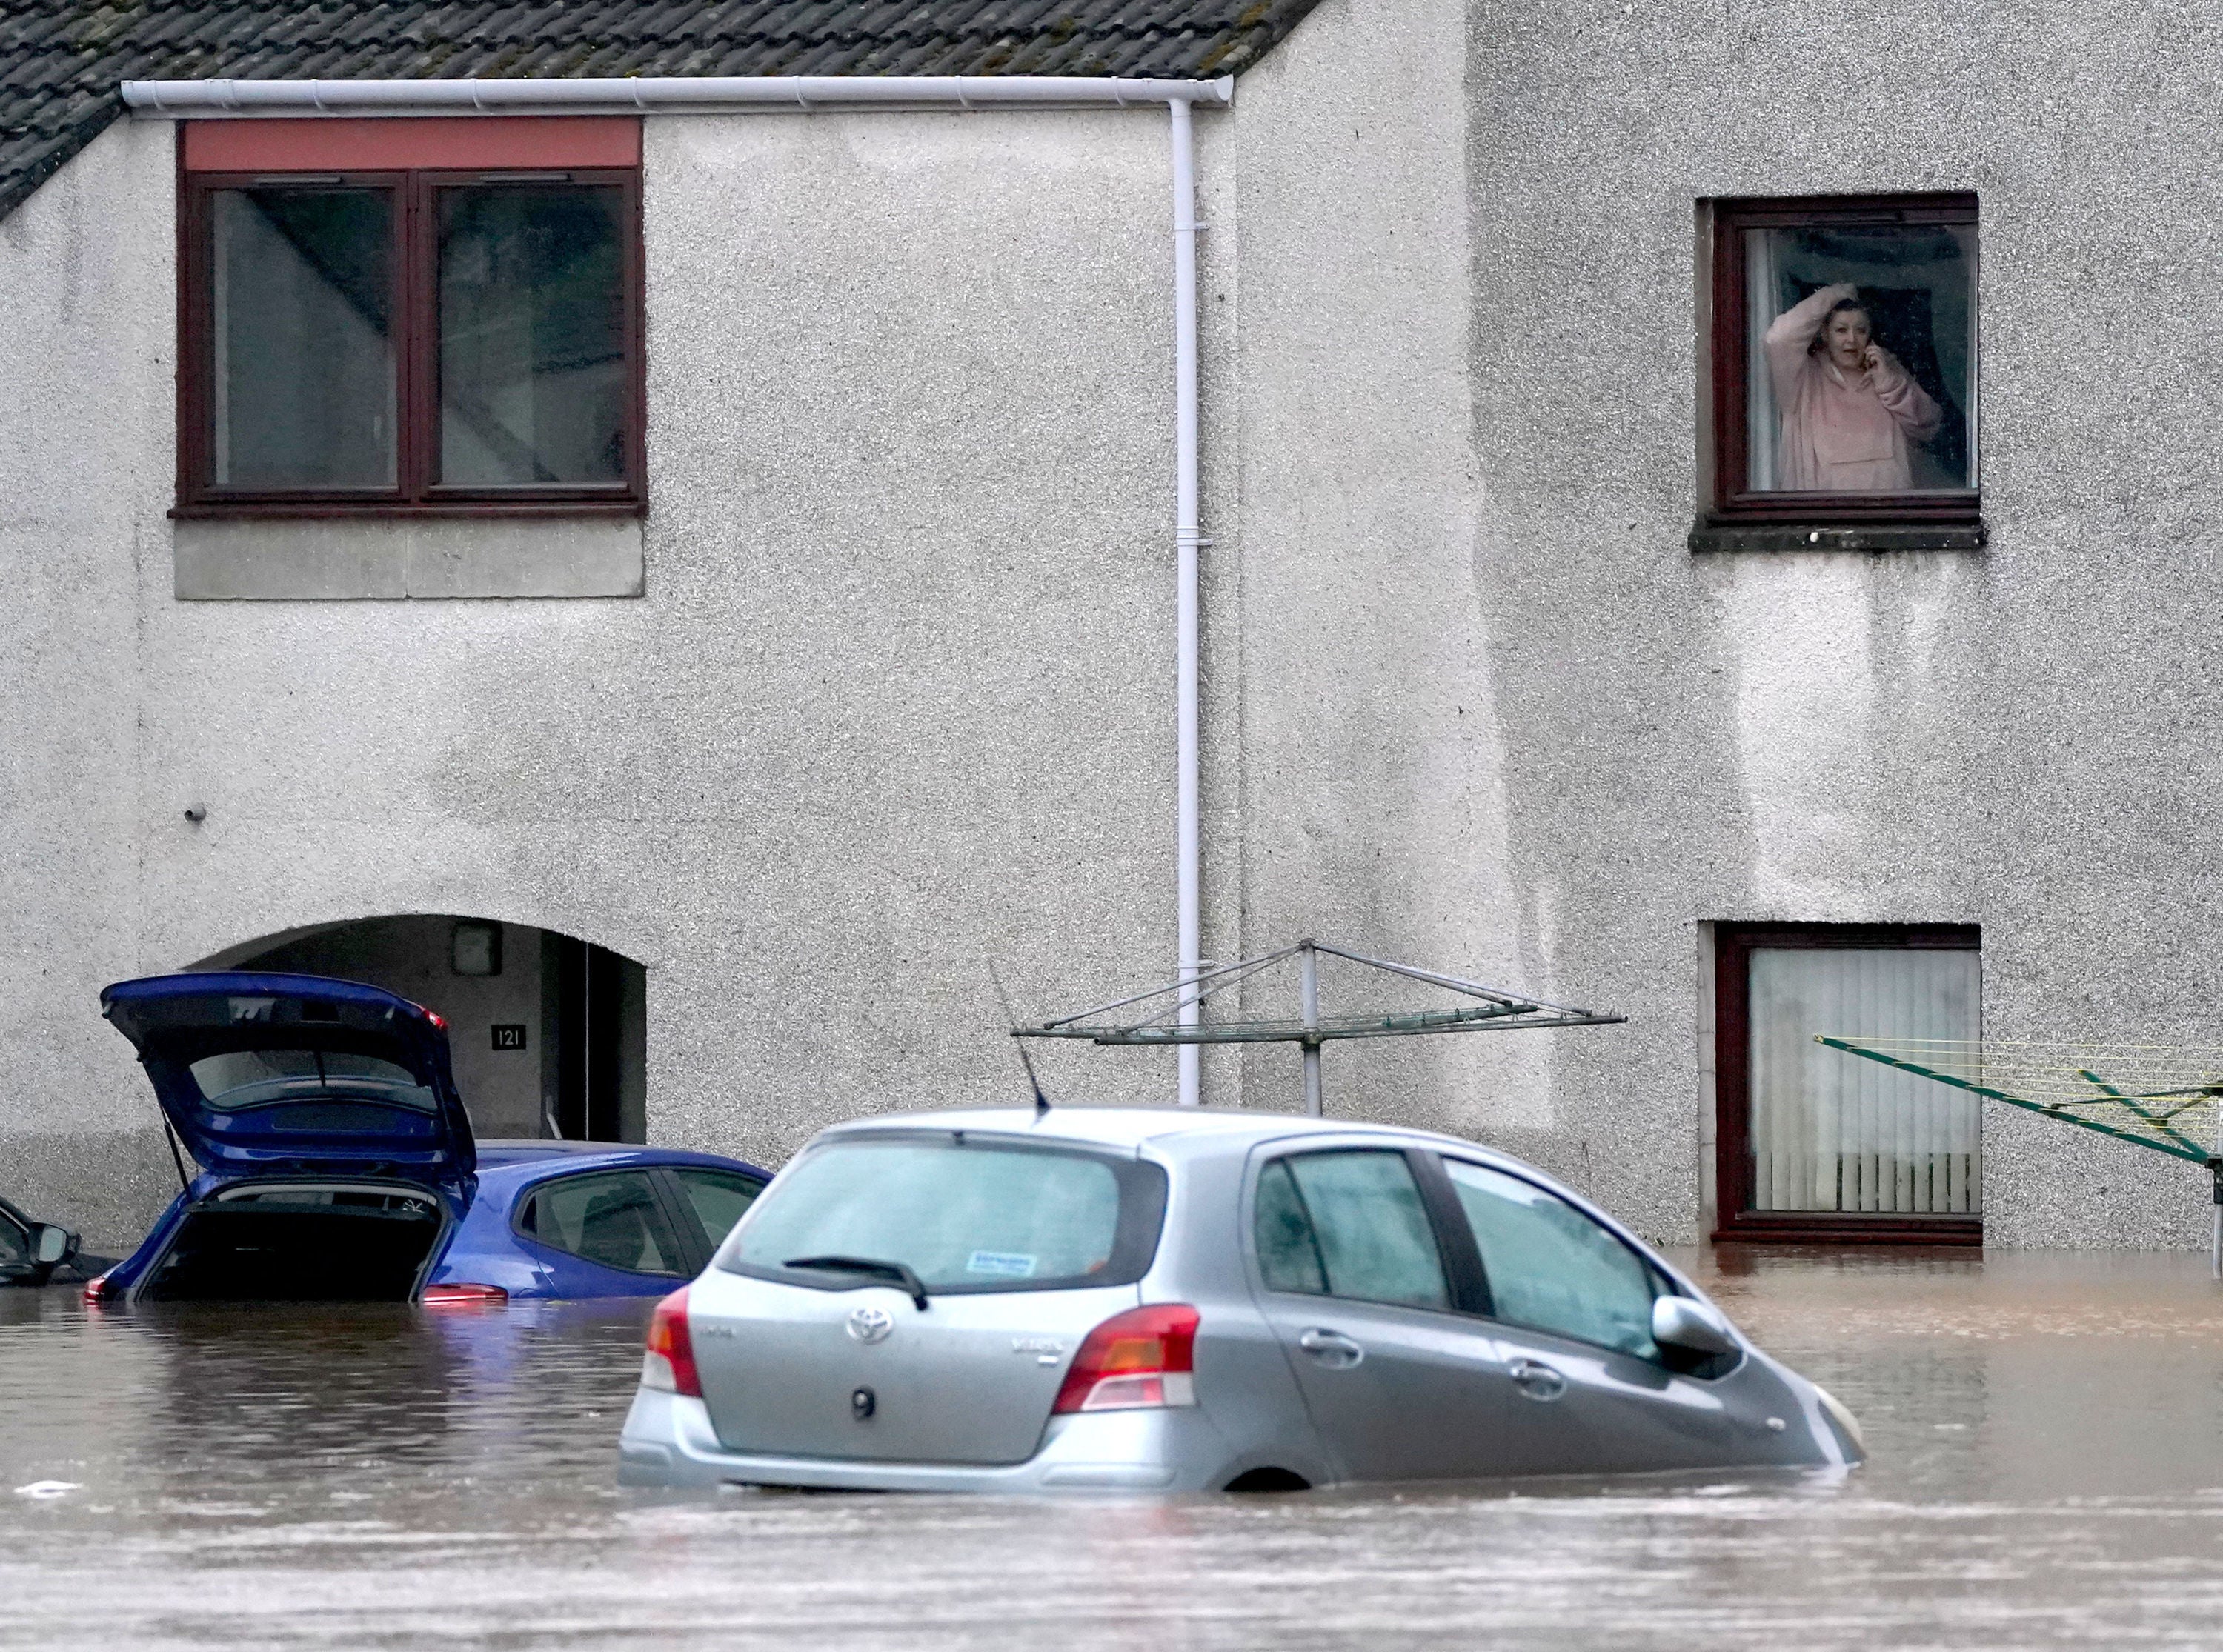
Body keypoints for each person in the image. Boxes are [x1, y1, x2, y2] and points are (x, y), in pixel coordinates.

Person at [1763, 280, 1941, 490]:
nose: (1851, 340)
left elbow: (1929, 426)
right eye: (1841, 330)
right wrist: (1835, 294)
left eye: (1861, 330)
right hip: (1821, 518)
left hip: (1890, 516)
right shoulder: (1803, 380)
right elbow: (1779, 338)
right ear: (1824, 334)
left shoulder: (1886, 370)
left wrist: (1889, 384)